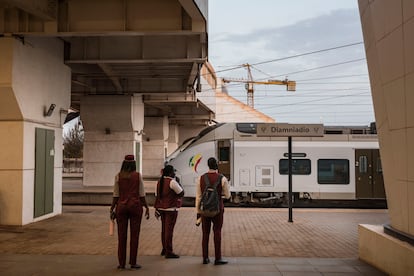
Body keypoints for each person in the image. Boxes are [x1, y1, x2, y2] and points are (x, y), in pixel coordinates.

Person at [110, 155, 150, 270]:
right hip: (135, 207)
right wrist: (146, 207)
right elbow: (142, 194)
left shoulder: (118, 176)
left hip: (121, 207)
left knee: (121, 236)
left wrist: (112, 208)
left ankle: (121, 263)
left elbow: (115, 194)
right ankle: (133, 262)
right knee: (134, 235)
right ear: (133, 164)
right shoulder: (138, 176)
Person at [196, 157, 231, 265]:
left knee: (205, 234)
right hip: (217, 210)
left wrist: (198, 213)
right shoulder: (222, 178)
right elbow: (228, 195)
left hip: (204, 210)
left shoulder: (201, 178)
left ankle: (205, 258)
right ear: (216, 165)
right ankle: (218, 258)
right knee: (217, 232)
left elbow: (198, 196)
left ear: (208, 165)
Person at [154, 165, 184, 259]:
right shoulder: (172, 182)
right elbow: (181, 193)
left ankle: (164, 249)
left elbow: (156, 195)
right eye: (173, 172)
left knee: (164, 229)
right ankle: (169, 251)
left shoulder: (159, 182)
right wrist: (178, 183)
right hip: (171, 209)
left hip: (162, 208)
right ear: (170, 172)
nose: (174, 173)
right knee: (169, 230)